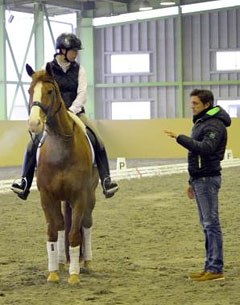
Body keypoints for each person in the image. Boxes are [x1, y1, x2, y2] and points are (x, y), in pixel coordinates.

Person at [11, 32, 119, 200]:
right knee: (32, 145)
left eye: (76, 51)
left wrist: (71, 110)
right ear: (62, 50)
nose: (75, 54)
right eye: (73, 51)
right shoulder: (47, 69)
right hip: (52, 116)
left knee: (98, 139)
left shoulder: (79, 70)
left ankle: (106, 180)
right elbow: (40, 92)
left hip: (76, 112)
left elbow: (82, 93)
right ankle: (24, 182)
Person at [164, 89, 231, 282]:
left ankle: (216, 268)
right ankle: (209, 266)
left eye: (195, 104)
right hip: (200, 179)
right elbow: (197, 156)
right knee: (207, 224)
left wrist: (180, 138)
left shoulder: (214, 125)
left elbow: (206, 149)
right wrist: (191, 180)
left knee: (211, 224)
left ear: (207, 105)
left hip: (208, 179)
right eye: (192, 103)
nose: (191, 107)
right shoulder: (203, 123)